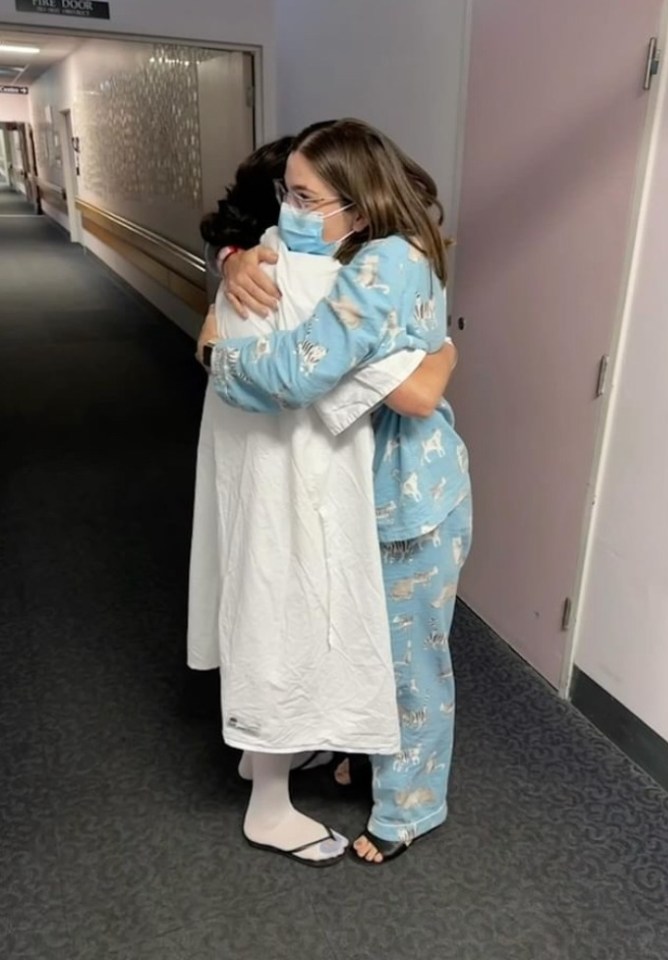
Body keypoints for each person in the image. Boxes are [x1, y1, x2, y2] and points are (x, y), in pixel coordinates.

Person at [198, 118, 472, 865]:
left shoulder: (386, 261)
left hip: (409, 498)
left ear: (356, 198)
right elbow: (270, 265)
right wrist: (231, 263)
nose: (287, 209)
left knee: (409, 661)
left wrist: (218, 353)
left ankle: (408, 808)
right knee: (365, 641)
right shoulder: (355, 249)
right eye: (286, 192)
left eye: (303, 195)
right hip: (360, 489)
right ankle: (360, 751)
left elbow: (302, 373)